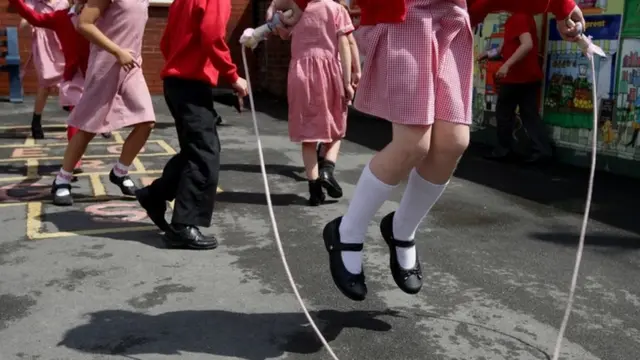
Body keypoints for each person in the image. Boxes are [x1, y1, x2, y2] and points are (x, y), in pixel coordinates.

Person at [318, 0, 585, 301]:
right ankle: (347, 232)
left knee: (453, 142)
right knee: (412, 143)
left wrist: (561, 5)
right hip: (408, 19)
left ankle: (401, 228)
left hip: (452, 24)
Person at [135, 0, 248, 250]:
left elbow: (166, 41)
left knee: (194, 151)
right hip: (192, 84)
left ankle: (154, 196)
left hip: (177, 83)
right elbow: (212, 36)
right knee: (205, 155)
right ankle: (183, 226)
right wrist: (232, 76)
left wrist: (181, 62)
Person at [50, 0, 156, 206]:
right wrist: (117, 51)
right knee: (89, 126)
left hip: (133, 65)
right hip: (106, 65)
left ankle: (120, 172)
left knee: (147, 121)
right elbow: (84, 24)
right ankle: (62, 179)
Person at [271, 0, 357, 205]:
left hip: (300, 74)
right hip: (328, 73)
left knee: (308, 136)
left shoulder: (297, 10)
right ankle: (327, 169)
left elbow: (281, 33)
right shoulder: (336, 9)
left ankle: (314, 189)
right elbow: (345, 43)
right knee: (336, 127)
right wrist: (347, 80)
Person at [11, 0, 88, 175]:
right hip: (61, 59)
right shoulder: (54, 13)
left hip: (86, 63)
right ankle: (73, 158)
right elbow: (33, 18)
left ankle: (103, 125)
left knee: (93, 106)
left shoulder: (96, 15)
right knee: (67, 105)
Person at [477, 12, 553, 164]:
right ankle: (543, 150)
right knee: (529, 115)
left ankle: (503, 150)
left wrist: (506, 65)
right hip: (528, 76)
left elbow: (527, 44)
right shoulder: (524, 17)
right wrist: (486, 53)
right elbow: (504, 48)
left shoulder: (518, 17)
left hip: (516, 76)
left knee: (504, 113)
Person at [20, 0, 67, 139]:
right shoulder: (34, 2)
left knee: (71, 80)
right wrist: (29, 22)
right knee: (45, 85)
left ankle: (93, 121)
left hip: (61, 43)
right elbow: (23, 24)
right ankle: (36, 121)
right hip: (43, 46)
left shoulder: (63, 2)